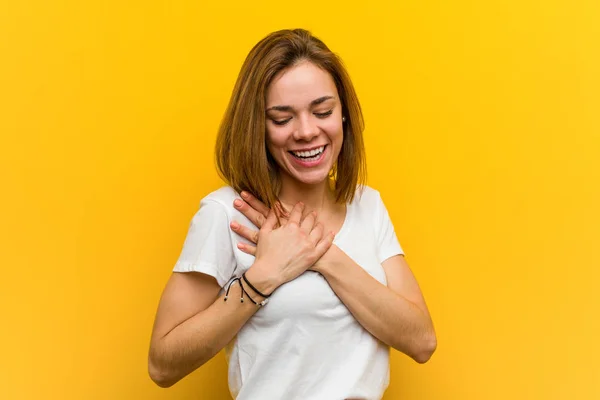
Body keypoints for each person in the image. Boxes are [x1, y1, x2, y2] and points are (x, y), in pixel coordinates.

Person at [148, 28, 437, 399]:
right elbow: (162, 364)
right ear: (258, 128)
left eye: (323, 111)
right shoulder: (226, 213)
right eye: (282, 118)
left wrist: (322, 255)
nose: (306, 131)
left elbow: (422, 340)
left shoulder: (368, 205)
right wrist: (262, 278)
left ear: (344, 116)